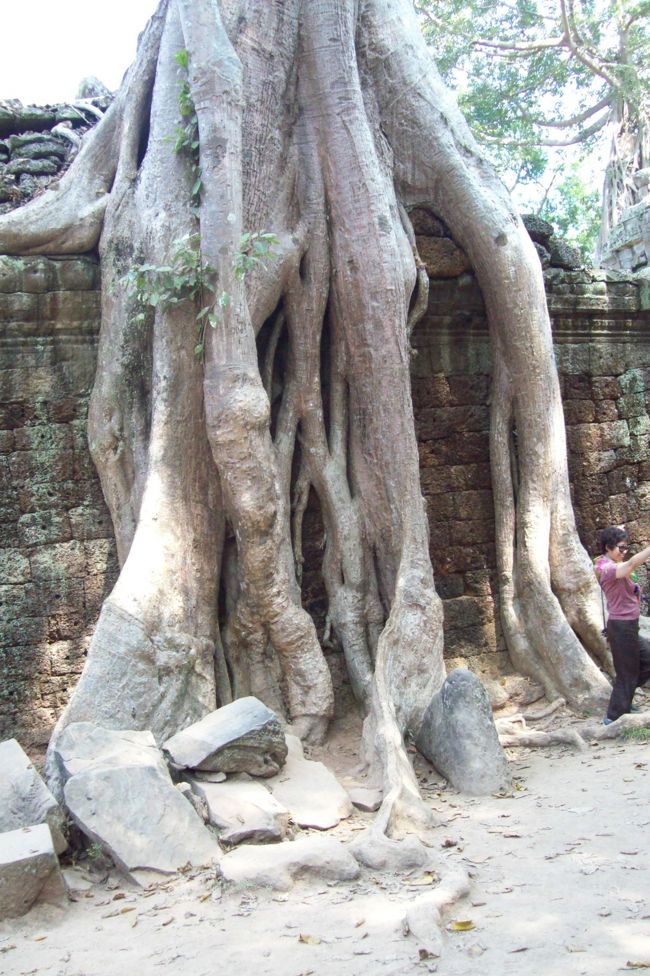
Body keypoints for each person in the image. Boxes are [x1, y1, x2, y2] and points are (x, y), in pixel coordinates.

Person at [595, 526, 650, 724]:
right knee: (626, 673)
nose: (624, 552)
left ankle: (625, 702)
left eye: (627, 548)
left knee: (646, 662)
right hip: (621, 626)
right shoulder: (606, 568)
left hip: (630, 625)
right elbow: (631, 565)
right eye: (621, 548)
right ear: (608, 547)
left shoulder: (616, 564)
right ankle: (613, 717)